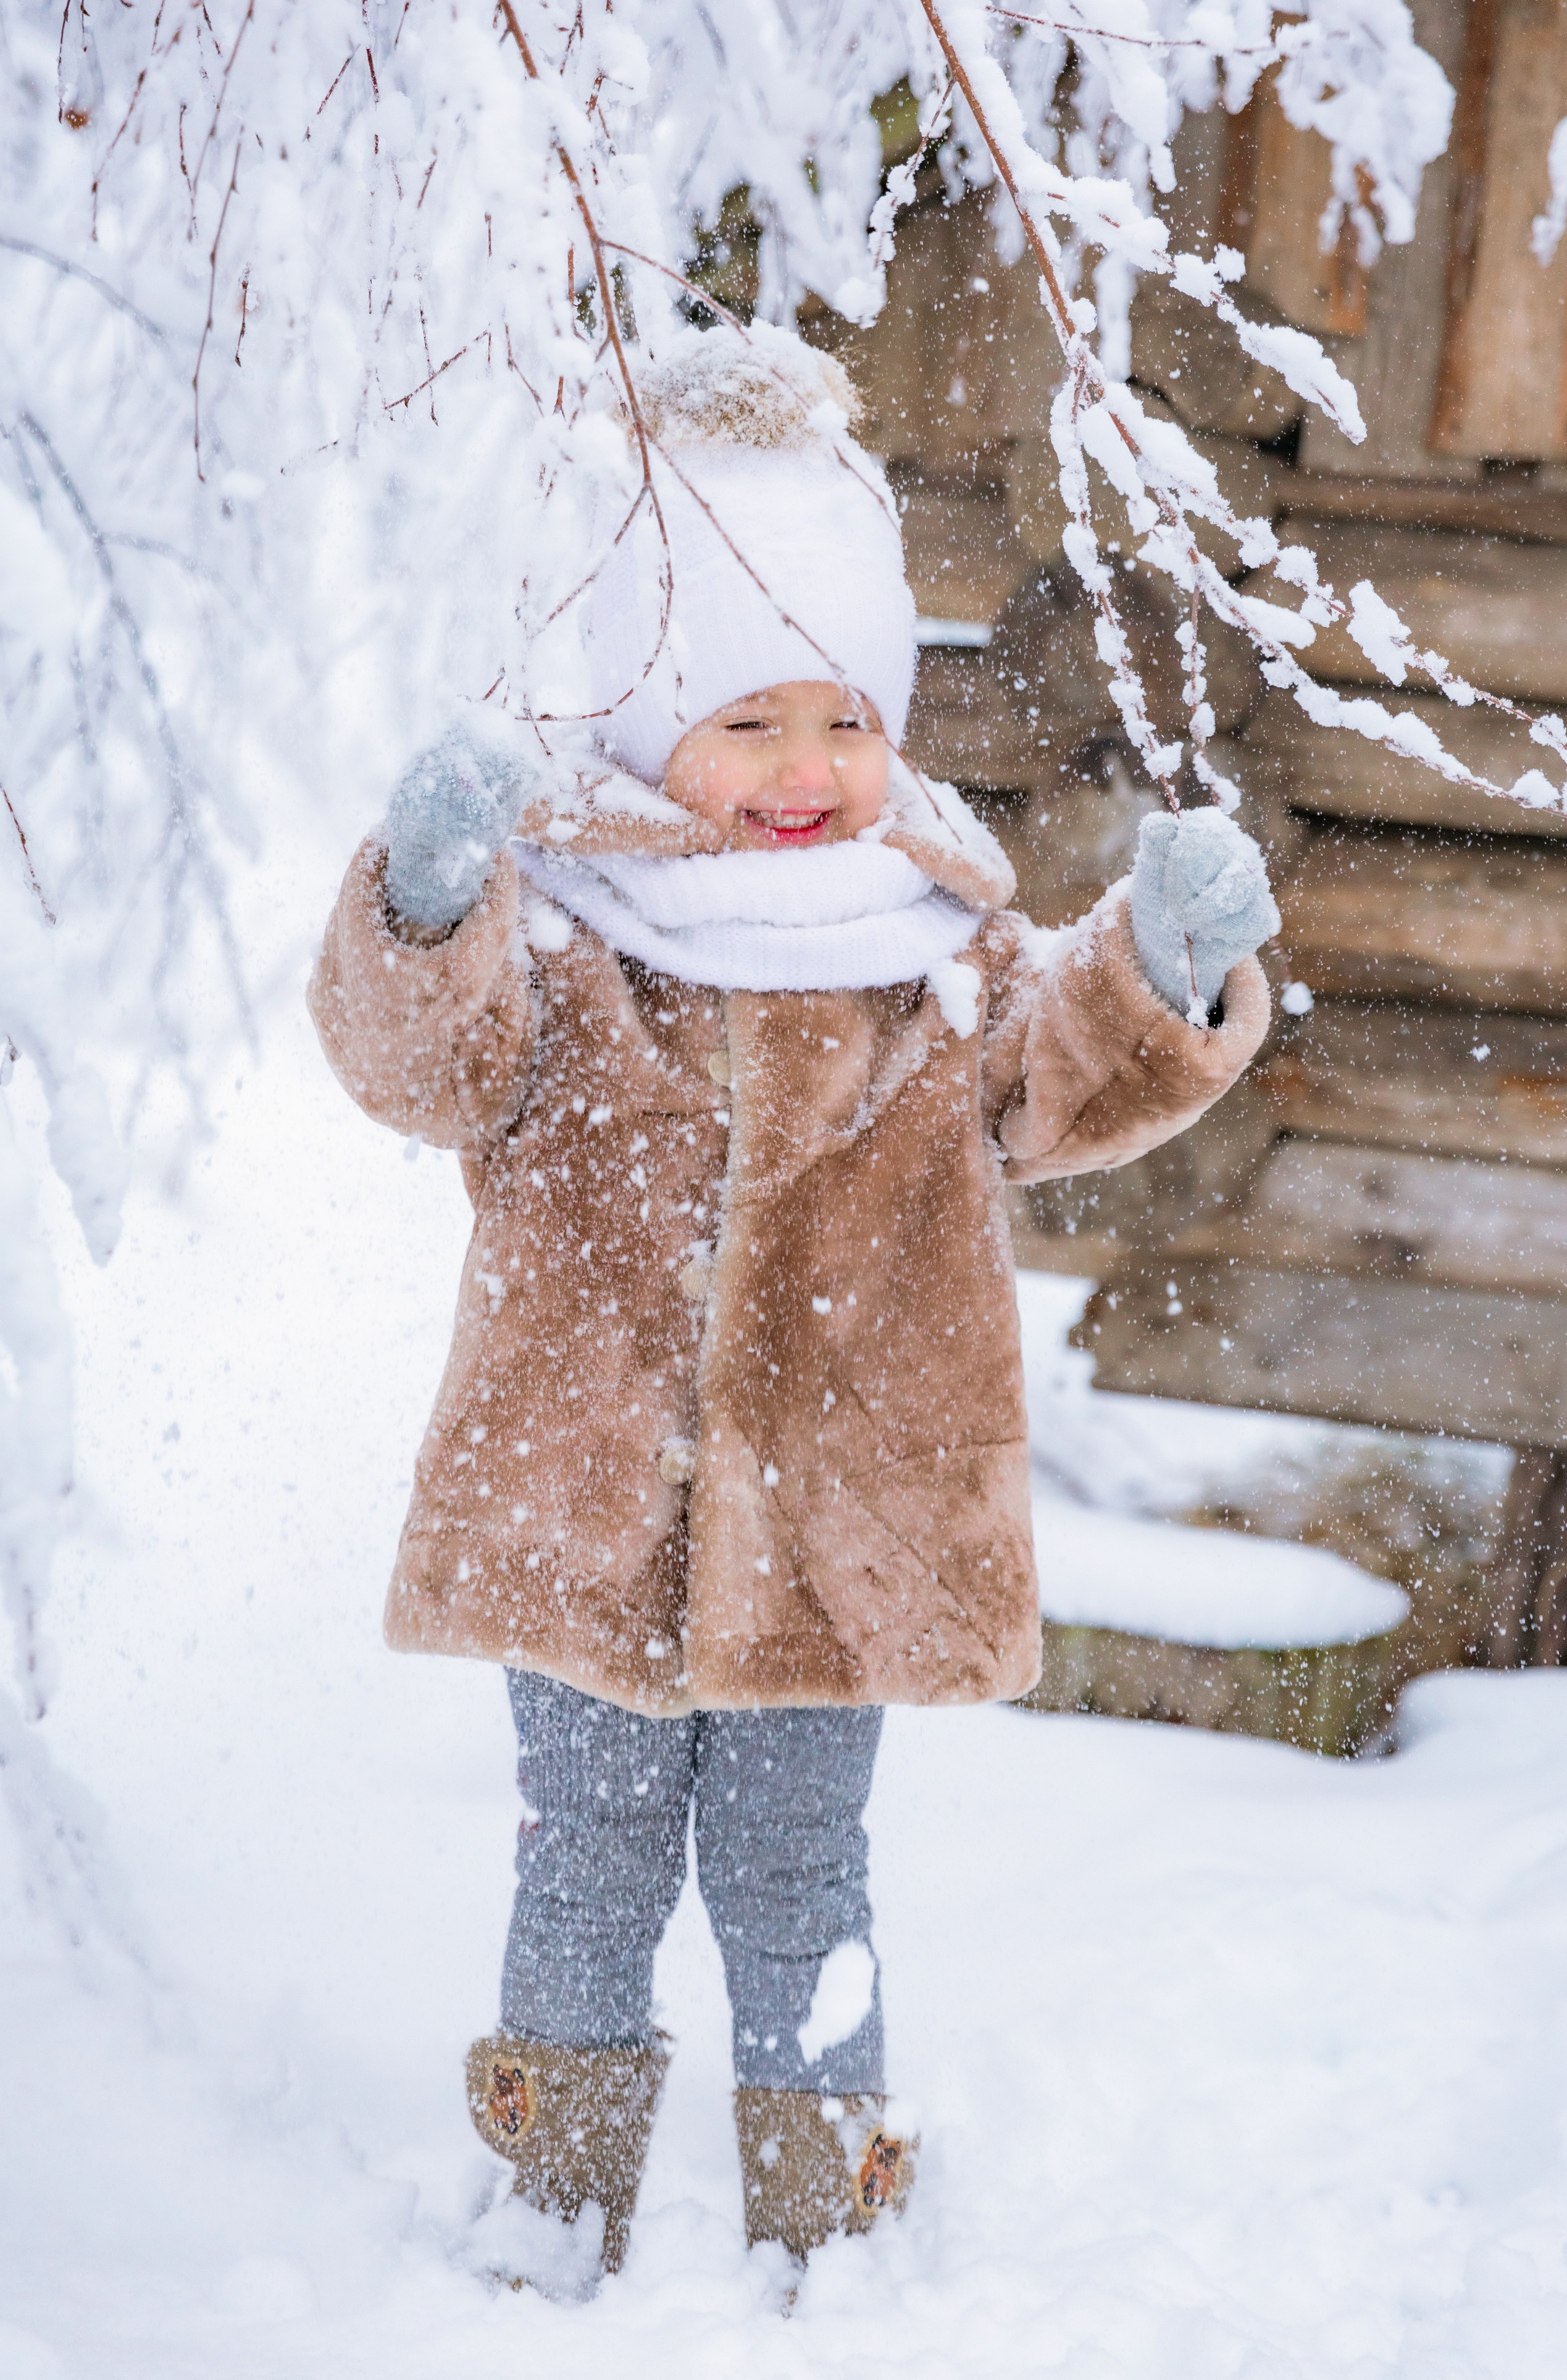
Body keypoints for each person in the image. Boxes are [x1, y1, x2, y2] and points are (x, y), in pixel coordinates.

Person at [307, 325, 1277, 2281]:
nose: (806, 771)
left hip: (842, 1529)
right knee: (584, 1853)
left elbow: (1053, 1076)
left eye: (843, 718)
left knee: (794, 1867)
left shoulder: (931, 947)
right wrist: (424, 901)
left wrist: (1160, 971)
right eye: (745, 722)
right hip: (582, 1501)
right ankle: (558, 2196)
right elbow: (417, 1066)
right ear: (638, 719)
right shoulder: (569, 940)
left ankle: (823, 2208)